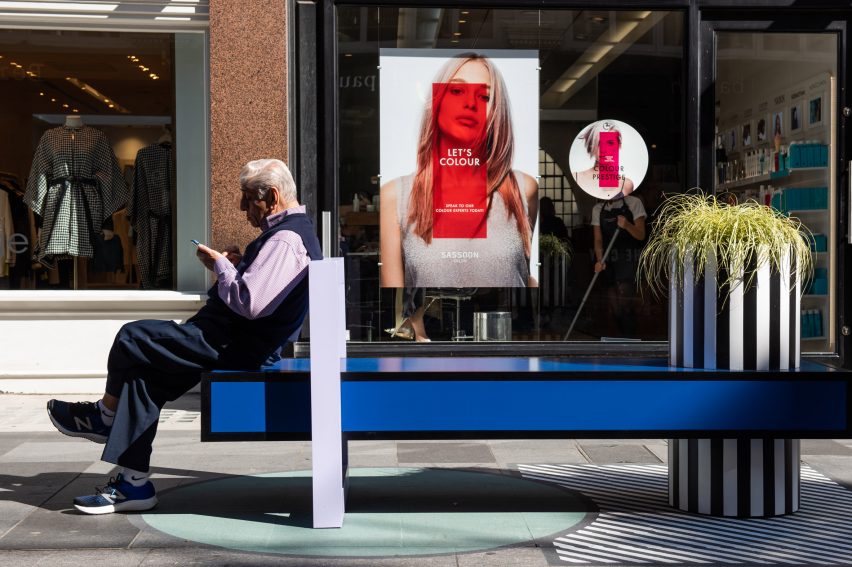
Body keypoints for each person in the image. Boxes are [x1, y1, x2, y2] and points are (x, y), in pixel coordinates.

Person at [45, 159, 322, 514]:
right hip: (231, 339)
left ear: (271, 196)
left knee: (132, 337)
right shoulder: (289, 234)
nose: (242, 207)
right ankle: (134, 485)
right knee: (144, 380)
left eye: (247, 197)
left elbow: (250, 304)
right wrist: (237, 267)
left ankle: (105, 416)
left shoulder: (285, 239)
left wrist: (222, 267)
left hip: (230, 344)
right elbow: (262, 293)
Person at [380, 53, 538, 288]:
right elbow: (395, 299)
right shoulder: (395, 196)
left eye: (484, 96)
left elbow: (524, 277)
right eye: (456, 91)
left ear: (497, 112)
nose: (470, 104)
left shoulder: (523, 189)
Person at [591, 194, 646, 336]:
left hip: (629, 259)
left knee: (626, 301)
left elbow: (641, 234)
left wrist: (627, 225)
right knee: (614, 303)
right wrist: (599, 260)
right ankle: (622, 338)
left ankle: (631, 339)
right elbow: (598, 239)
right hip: (609, 260)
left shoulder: (634, 202)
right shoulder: (598, 209)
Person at [572, 121, 635, 199]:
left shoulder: (626, 185)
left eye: (610, 143)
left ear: (619, 145)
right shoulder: (576, 177)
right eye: (600, 143)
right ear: (591, 146)